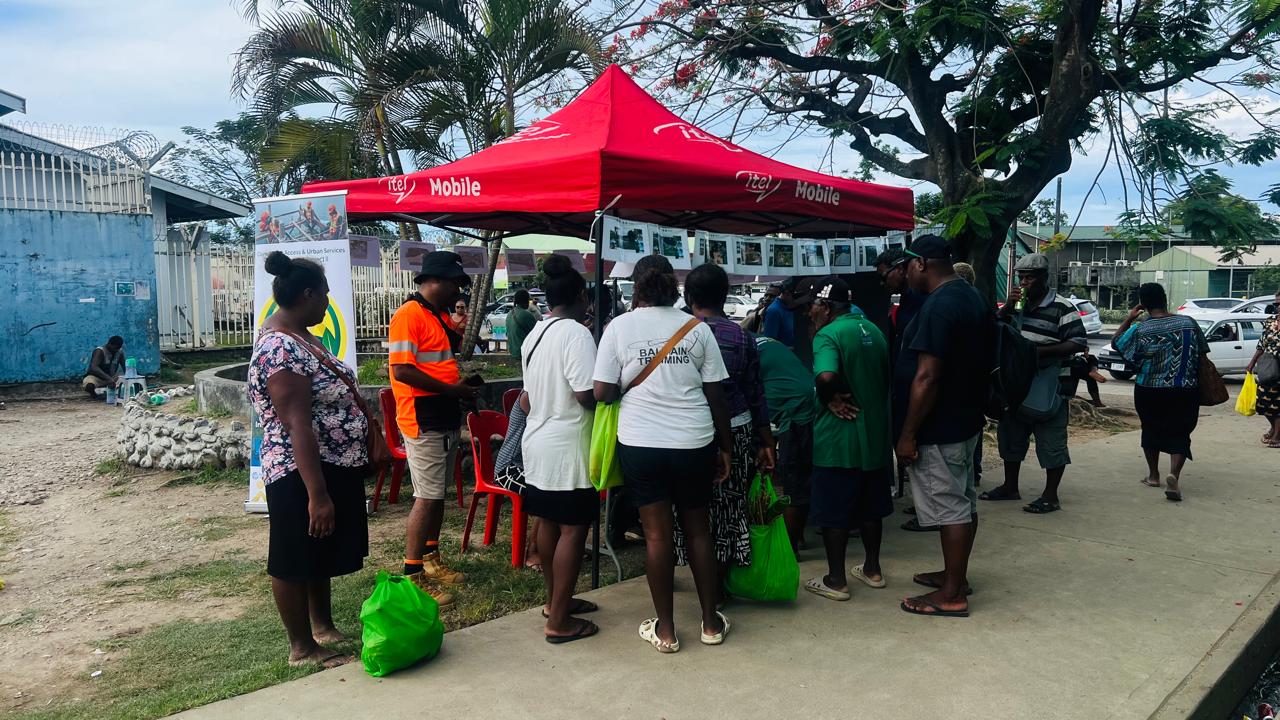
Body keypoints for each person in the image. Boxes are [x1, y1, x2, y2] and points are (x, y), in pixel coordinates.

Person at [593, 254, 732, 654]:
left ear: (636, 290)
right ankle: (710, 623)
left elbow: (601, 392)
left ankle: (666, 631)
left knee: (657, 535)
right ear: (676, 291)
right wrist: (724, 448)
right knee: (698, 530)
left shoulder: (619, 327)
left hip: (642, 442)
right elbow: (716, 396)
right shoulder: (697, 329)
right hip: (694, 441)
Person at [247, 251, 370, 668]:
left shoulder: (303, 337)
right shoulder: (280, 348)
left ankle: (323, 626)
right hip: (300, 470)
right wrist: (317, 494)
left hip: (330, 464)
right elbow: (298, 425)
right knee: (293, 555)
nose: (327, 303)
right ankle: (301, 647)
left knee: (318, 549)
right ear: (305, 294)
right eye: (324, 295)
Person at [894, 235, 991, 618]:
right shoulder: (972, 296)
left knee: (950, 508)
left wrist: (907, 433)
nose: (905, 275)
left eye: (906, 267)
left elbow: (927, 377)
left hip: (940, 426)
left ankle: (952, 593)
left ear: (921, 264)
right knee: (963, 503)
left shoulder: (939, 305)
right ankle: (956, 575)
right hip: (965, 420)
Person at [678, 264, 775, 601]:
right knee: (730, 511)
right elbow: (756, 393)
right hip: (736, 431)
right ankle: (719, 586)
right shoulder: (744, 338)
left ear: (689, 297)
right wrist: (766, 440)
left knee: (693, 511)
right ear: (724, 296)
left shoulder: (681, 335)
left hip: (690, 434)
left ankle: (703, 586)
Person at [519, 254, 601, 643]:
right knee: (574, 529)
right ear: (581, 296)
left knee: (549, 523)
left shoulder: (536, 332)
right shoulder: (577, 334)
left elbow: (528, 397)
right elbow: (586, 393)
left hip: (538, 443)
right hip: (569, 445)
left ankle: (557, 602)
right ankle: (558, 622)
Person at [387, 251, 477, 607]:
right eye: (455, 283)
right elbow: (402, 371)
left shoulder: (433, 314)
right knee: (426, 497)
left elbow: (441, 354)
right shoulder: (408, 316)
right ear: (436, 280)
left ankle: (430, 558)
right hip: (422, 418)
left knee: (437, 494)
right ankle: (412, 575)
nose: (458, 290)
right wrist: (454, 389)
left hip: (441, 414)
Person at [803, 277, 893, 602]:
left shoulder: (828, 334)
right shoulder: (874, 331)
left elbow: (826, 376)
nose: (808, 312)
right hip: (874, 437)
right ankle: (872, 569)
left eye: (812, 305)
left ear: (826, 307)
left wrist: (831, 398)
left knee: (833, 511)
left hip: (838, 440)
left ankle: (836, 579)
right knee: (871, 508)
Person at [980, 253, 1086, 515]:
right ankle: (1010, 486)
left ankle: (1051, 495)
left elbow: (1078, 342)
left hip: (1050, 385)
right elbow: (993, 331)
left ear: (1043, 278)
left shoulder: (1062, 307)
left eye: (1030, 277)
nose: (1024, 282)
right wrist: (1005, 309)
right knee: (1011, 437)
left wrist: (1038, 353)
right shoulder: (1016, 306)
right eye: (1021, 277)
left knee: (1051, 441)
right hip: (1016, 385)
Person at [1112, 283, 1209, 502]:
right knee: (1181, 431)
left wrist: (1129, 319)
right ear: (1165, 299)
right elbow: (1202, 351)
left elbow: (1117, 343)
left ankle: (1154, 475)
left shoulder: (1142, 328)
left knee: (1151, 428)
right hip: (1184, 388)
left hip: (1149, 389)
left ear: (1143, 304)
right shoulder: (1188, 323)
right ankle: (1173, 475)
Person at [876, 248, 930, 531]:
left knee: (918, 446)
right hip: (905, 384)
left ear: (901, 268)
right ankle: (925, 505)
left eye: (885, 276)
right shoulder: (907, 299)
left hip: (919, 386)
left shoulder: (923, 299)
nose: (884, 283)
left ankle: (930, 512)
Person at [755, 333, 817, 551]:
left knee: (793, 480)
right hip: (808, 400)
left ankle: (789, 548)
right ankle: (797, 537)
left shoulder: (743, 350)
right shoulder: (769, 342)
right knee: (801, 475)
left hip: (793, 410)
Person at [1247, 291, 1280, 448]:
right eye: (1276, 304)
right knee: (1262, 402)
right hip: (1267, 366)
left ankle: (1277, 435)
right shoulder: (1269, 322)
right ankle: (1274, 428)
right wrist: (1252, 363)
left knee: (1278, 404)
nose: (1277, 307)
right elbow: (1261, 345)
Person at [762, 277, 801, 347]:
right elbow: (770, 343)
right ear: (787, 294)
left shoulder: (792, 307)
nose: (799, 301)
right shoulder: (774, 311)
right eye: (798, 297)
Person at [506, 289, 538, 360]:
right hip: (524, 354)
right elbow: (537, 335)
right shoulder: (526, 315)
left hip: (513, 353)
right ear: (525, 300)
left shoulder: (509, 313)